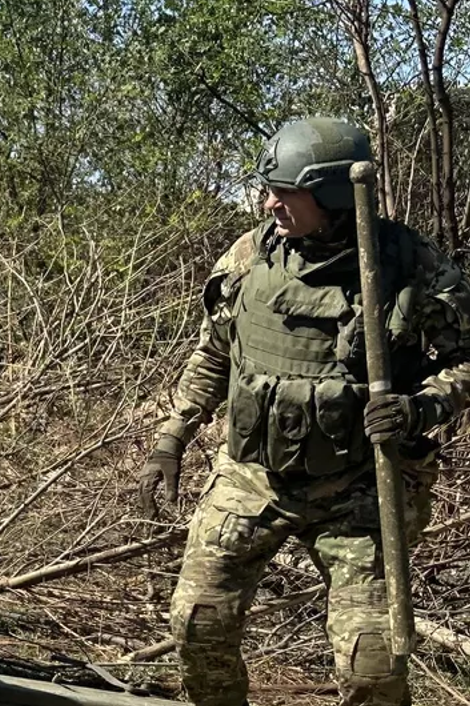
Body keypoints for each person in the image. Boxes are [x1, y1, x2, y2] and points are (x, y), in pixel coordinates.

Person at [138, 117, 470, 705]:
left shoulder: (409, 267)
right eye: (269, 190)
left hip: (361, 487)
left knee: (374, 660)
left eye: (285, 193)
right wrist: (173, 436)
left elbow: (466, 362)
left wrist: (419, 409)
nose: (270, 204)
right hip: (253, 476)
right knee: (198, 626)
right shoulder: (249, 256)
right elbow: (214, 352)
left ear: (334, 194)